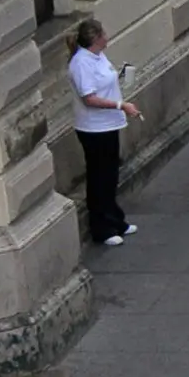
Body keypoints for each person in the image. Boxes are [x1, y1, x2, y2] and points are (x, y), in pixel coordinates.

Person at [67, 18, 136, 247]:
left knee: (110, 174)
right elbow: (89, 98)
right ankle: (102, 227)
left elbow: (105, 81)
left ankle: (116, 220)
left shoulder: (99, 57)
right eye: (103, 33)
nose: (107, 36)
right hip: (94, 128)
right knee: (99, 177)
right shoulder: (80, 64)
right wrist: (120, 105)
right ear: (96, 38)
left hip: (109, 125)